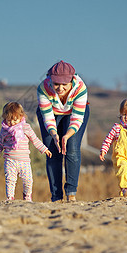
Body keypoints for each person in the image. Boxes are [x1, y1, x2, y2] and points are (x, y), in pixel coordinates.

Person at [36, 60, 89, 202]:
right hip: (51, 114)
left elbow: (77, 119)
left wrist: (66, 136)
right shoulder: (43, 88)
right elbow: (47, 118)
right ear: (50, 80)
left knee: (71, 148)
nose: (60, 88)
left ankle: (71, 193)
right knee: (52, 151)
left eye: (64, 84)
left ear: (71, 81)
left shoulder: (81, 88)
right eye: (56, 84)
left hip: (73, 114)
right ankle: (56, 196)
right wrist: (54, 134)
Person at [0, 102, 52, 201]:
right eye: (8, 120)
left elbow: (35, 140)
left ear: (21, 117)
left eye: (14, 120)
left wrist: (44, 149)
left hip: (24, 161)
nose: (11, 123)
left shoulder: (26, 128)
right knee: (10, 180)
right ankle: (10, 198)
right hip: (10, 160)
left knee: (28, 180)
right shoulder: (4, 130)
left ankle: (27, 196)